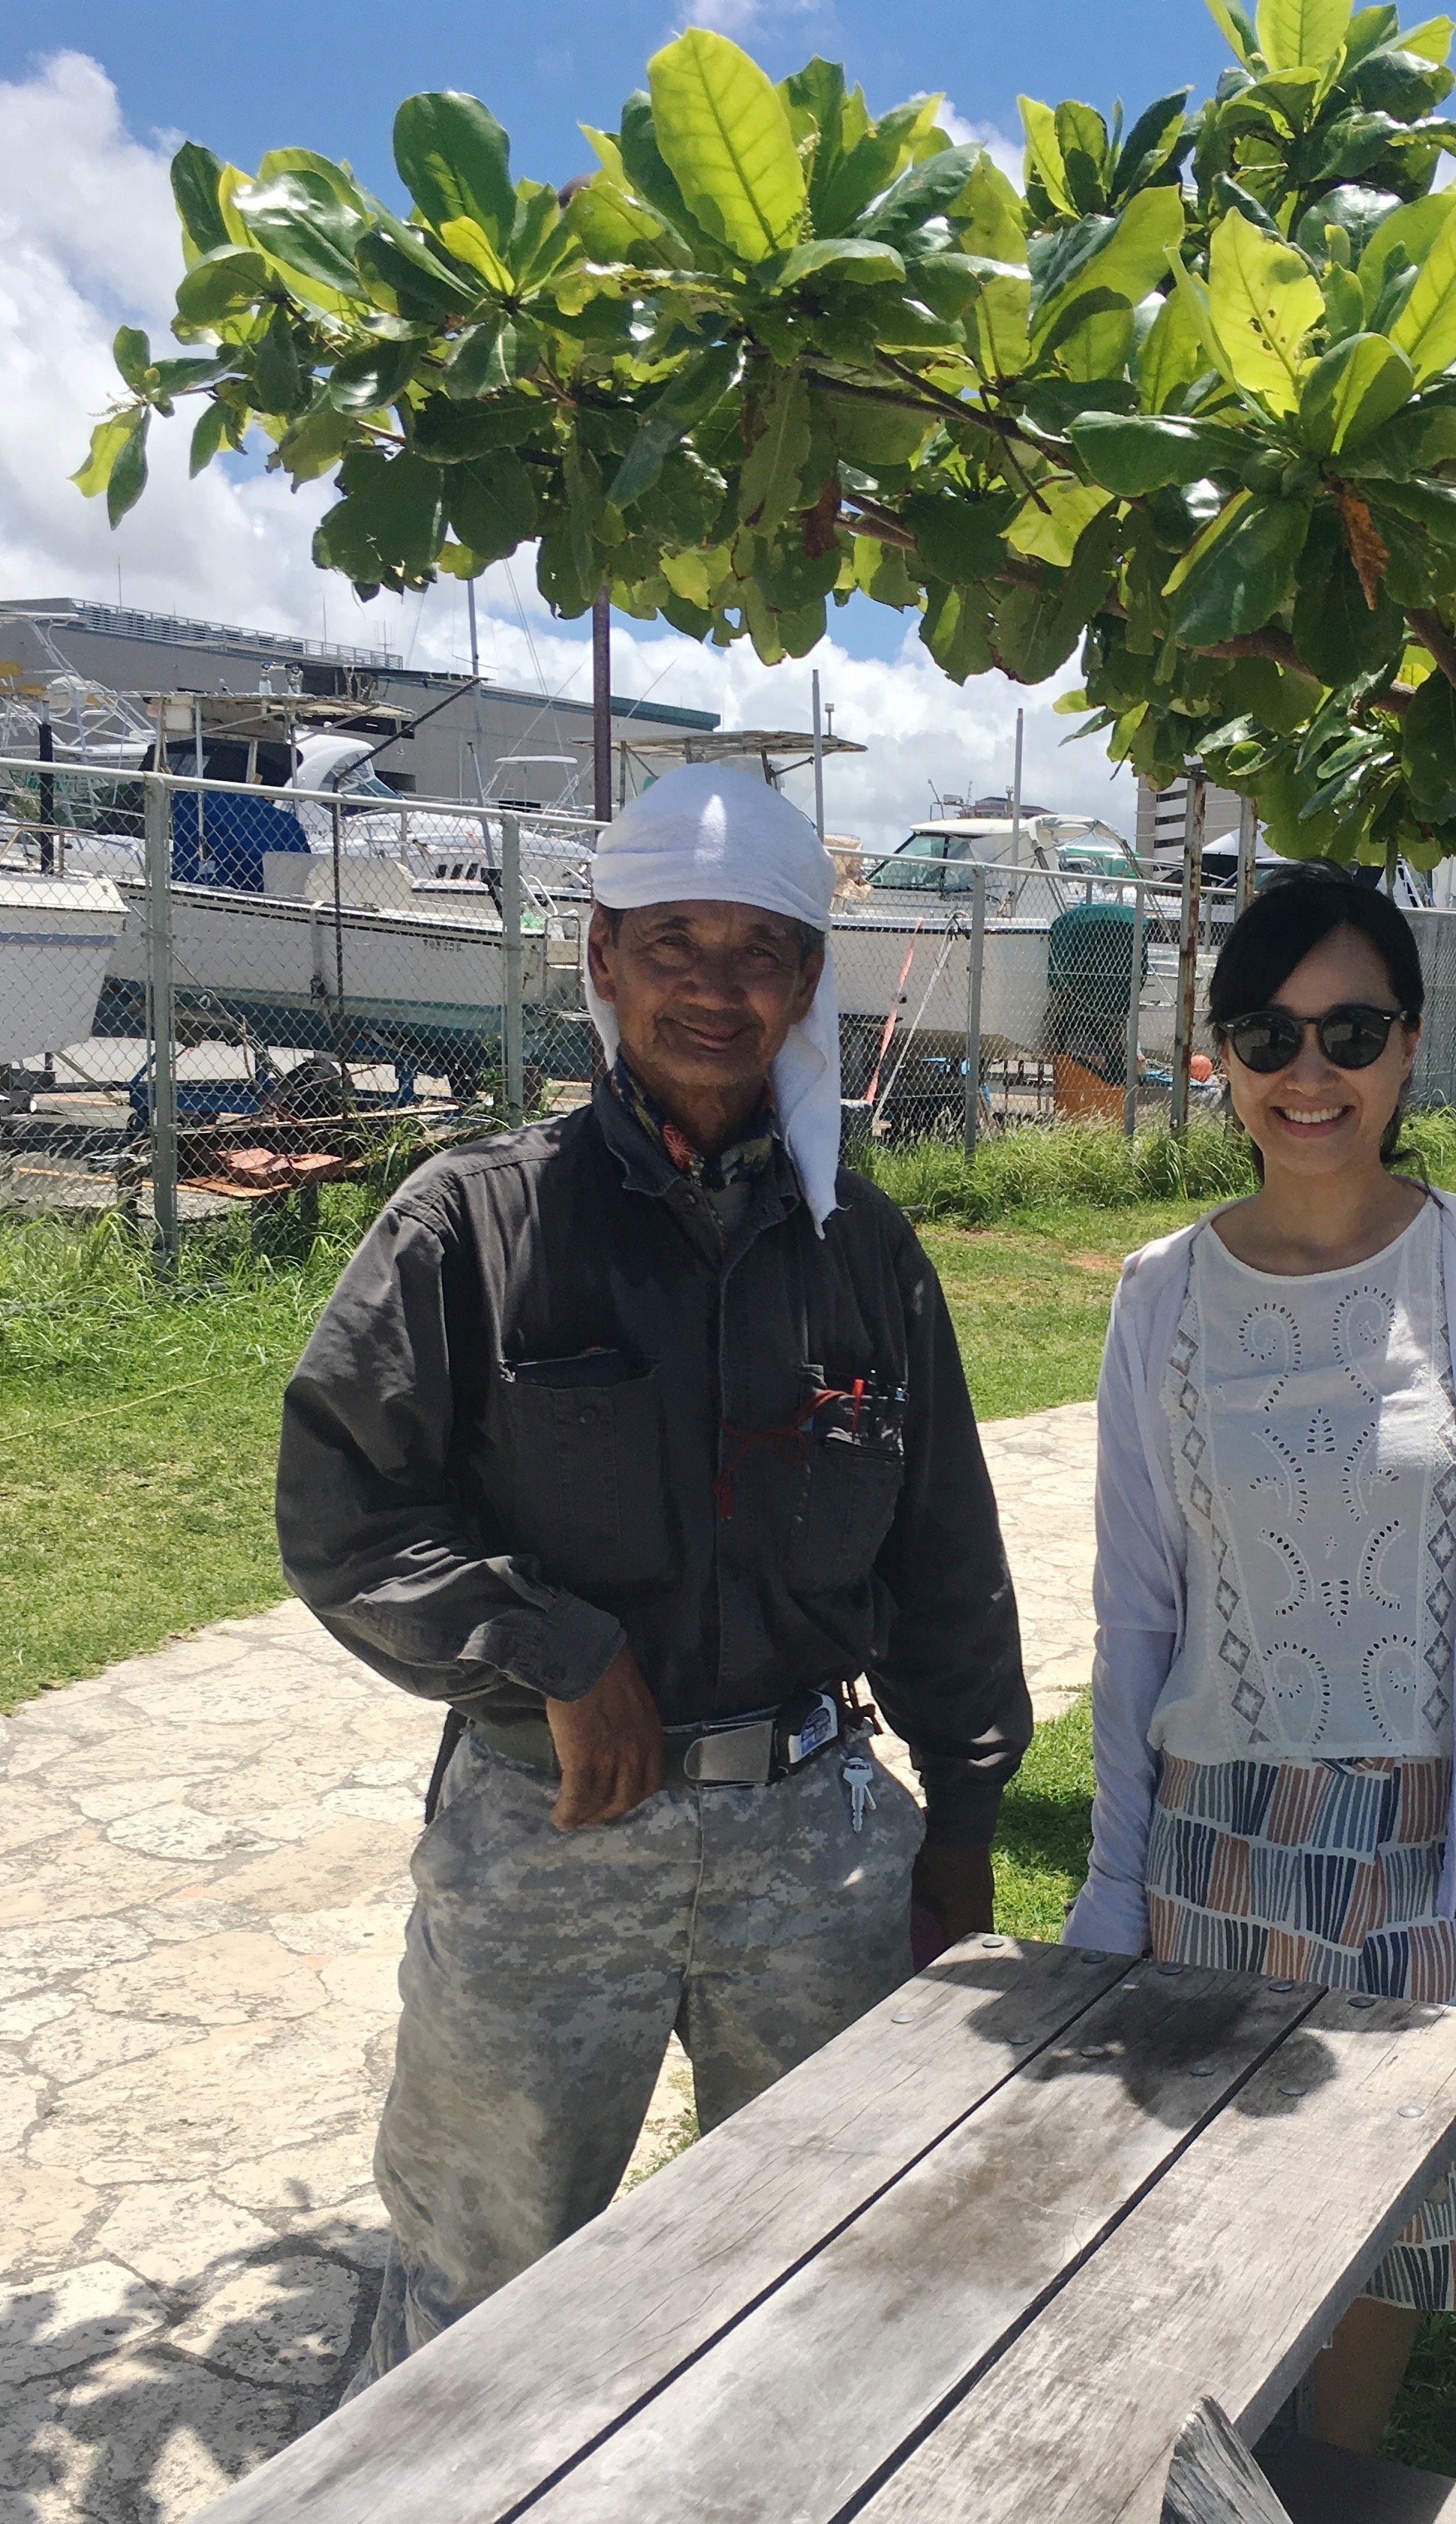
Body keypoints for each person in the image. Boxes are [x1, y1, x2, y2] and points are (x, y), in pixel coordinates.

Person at [277, 764, 1032, 2387]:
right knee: (484, 2295)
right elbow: (346, 1514)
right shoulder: (473, 1225)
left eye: (758, 949)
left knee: (842, 2271)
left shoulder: (862, 1251)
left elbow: (947, 1558)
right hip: (546, 1845)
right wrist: (552, 1650)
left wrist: (964, 1822)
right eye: (672, 941)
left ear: (806, 983)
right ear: (603, 960)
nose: (713, 984)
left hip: (815, 1842)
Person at [1063, 865, 1456, 2454]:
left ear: (1411, 1046)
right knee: (1211, 2206)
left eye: (1352, 1032)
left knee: (1388, 2222)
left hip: (1444, 1849)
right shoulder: (1160, 1298)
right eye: (1269, 1034)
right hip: (1221, 1844)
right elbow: (1136, 1614)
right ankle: (1201, 2517)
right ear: (1222, 1060)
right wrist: (1114, 1878)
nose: (1311, 1072)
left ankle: (1333, 2516)